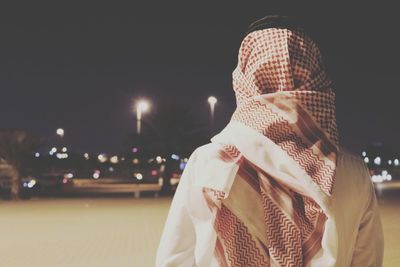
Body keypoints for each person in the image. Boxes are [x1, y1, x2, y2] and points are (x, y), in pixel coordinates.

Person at [156, 15, 384, 267]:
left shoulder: (209, 160)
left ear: (245, 78)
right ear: (315, 78)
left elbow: (174, 258)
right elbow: (367, 259)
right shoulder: (353, 171)